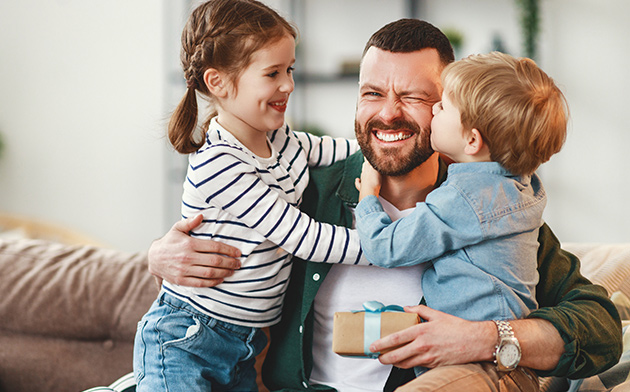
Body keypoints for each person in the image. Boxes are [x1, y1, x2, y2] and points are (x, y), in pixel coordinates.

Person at [147, 19, 623, 392]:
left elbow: (601, 328)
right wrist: (157, 258)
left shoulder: (491, 213)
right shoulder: (305, 188)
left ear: (455, 115)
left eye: (415, 97)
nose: (388, 113)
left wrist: (487, 338)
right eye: (372, 94)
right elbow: (207, 280)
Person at [133, 1, 372, 391]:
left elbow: (349, 151)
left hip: (244, 345)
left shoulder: (283, 141)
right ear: (219, 83)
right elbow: (302, 236)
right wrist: (389, 246)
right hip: (188, 339)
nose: (288, 85)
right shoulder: (219, 165)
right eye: (272, 73)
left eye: (290, 70)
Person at [353, 51, 568, 387]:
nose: (435, 109)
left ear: (472, 139)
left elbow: (384, 247)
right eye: (373, 92)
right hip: (507, 369)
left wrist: (368, 196)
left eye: (441, 106)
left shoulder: (466, 198)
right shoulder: (520, 187)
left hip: (482, 367)